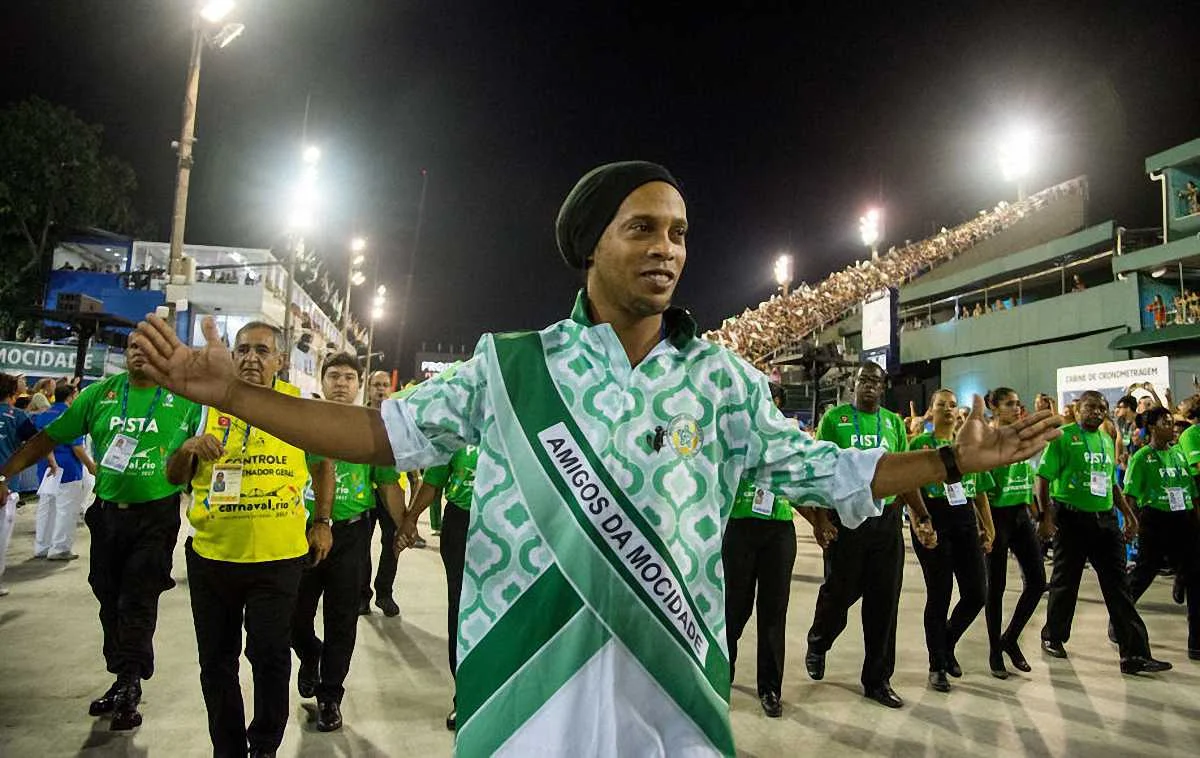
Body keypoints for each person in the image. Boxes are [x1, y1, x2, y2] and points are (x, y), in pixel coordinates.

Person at [131, 161, 1062, 756]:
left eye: (680, 232)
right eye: (642, 228)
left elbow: (828, 473)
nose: (668, 249)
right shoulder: (510, 365)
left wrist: (949, 462)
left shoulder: (724, 381)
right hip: (529, 680)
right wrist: (234, 395)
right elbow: (381, 436)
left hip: (672, 684)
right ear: (590, 246)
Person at [0, 340, 197, 730]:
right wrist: (4, 474)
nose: (139, 353)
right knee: (107, 595)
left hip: (156, 517)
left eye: (148, 347)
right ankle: (122, 672)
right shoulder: (99, 395)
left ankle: (130, 682)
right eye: (133, 346)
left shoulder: (185, 400)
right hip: (107, 516)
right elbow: (49, 438)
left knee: (137, 596)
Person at [164, 321, 334, 758]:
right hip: (212, 557)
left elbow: (322, 464)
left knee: (270, 654)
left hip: (279, 558)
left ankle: (264, 746)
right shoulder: (204, 404)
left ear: (281, 360)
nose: (251, 358)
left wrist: (322, 521)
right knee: (216, 662)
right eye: (243, 350)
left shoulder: (298, 405)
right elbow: (173, 475)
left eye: (262, 350)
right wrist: (188, 448)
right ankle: (228, 748)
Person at [802, 363, 936, 710]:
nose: (869, 386)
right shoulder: (835, 420)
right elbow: (820, 470)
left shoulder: (893, 423)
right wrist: (819, 519)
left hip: (886, 521)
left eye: (876, 381)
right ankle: (819, 640)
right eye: (863, 380)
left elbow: (904, 476)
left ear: (884, 387)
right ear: (855, 384)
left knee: (884, 600)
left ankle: (877, 679)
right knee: (839, 592)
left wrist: (921, 515)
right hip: (847, 519)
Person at [292, 354, 407, 732]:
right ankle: (310, 653)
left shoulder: (372, 428)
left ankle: (330, 697)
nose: (341, 383)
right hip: (300, 533)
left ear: (359, 384)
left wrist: (404, 524)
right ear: (321, 379)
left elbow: (387, 484)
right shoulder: (300, 421)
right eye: (334, 376)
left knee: (342, 619)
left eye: (348, 377)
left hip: (352, 535)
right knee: (293, 616)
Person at [1036, 390, 1171, 674]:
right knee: (1065, 580)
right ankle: (1053, 636)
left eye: (1101, 408)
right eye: (1090, 407)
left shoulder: (1107, 440)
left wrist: (1129, 515)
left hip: (1105, 521)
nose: (1096, 412)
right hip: (1071, 519)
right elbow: (1043, 478)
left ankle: (1134, 654)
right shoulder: (1063, 437)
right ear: (1078, 409)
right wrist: (1045, 517)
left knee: (1118, 586)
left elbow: (1110, 483)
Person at [908, 388, 995, 692]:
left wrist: (988, 526)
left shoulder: (967, 445)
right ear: (930, 410)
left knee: (976, 593)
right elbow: (909, 487)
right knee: (940, 594)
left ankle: (946, 643)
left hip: (964, 519)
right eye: (941, 405)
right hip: (934, 518)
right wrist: (919, 522)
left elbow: (980, 491)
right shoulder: (919, 444)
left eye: (953, 405)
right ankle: (937, 666)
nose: (948, 409)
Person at [402, 433, 477, 732]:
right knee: (460, 609)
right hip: (461, 525)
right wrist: (410, 519)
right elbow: (433, 483)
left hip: (505, 525)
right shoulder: (456, 434)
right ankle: (465, 697)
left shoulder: (515, 428)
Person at [1122, 406, 1199, 661]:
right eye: (1166, 422)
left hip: (1183, 519)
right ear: (1152, 427)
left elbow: (1192, 493)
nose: (1172, 427)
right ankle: (1120, 616)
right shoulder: (1142, 457)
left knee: (1196, 577)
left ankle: (1196, 642)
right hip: (1155, 520)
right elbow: (1130, 495)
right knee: (1145, 573)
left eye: (1172, 422)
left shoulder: (1179, 454)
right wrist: (1131, 523)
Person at [983, 388, 1047, 678]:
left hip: (1020, 514)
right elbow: (980, 485)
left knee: (1037, 581)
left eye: (1018, 403)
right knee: (995, 588)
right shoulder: (988, 438)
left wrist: (1039, 514)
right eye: (1009, 404)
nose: (1016, 408)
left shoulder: (1022, 437)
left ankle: (1010, 638)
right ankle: (994, 651)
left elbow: (1028, 476)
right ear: (994, 407)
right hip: (997, 516)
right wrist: (984, 525)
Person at [0, 372, 54, 598]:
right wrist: (52, 462)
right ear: (13, 393)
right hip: (5, 486)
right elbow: (36, 443)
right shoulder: (17, 416)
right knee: (1, 537)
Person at [360, 369, 408, 616]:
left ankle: (384, 593)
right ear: (368, 389)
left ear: (391, 389)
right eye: (376, 384)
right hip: (364, 493)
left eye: (384, 385)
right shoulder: (357, 417)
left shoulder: (400, 419)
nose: (380, 389)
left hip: (391, 490)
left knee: (392, 543)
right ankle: (362, 596)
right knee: (361, 547)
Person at [31, 383, 95, 561]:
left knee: (46, 507)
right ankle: (60, 548)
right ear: (70, 397)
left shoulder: (43, 415)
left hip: (45, 468)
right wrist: (91, 466)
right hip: (67, 469)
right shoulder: (71, 416)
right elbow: (77, 447)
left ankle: (42, 546)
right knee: (66, 509)